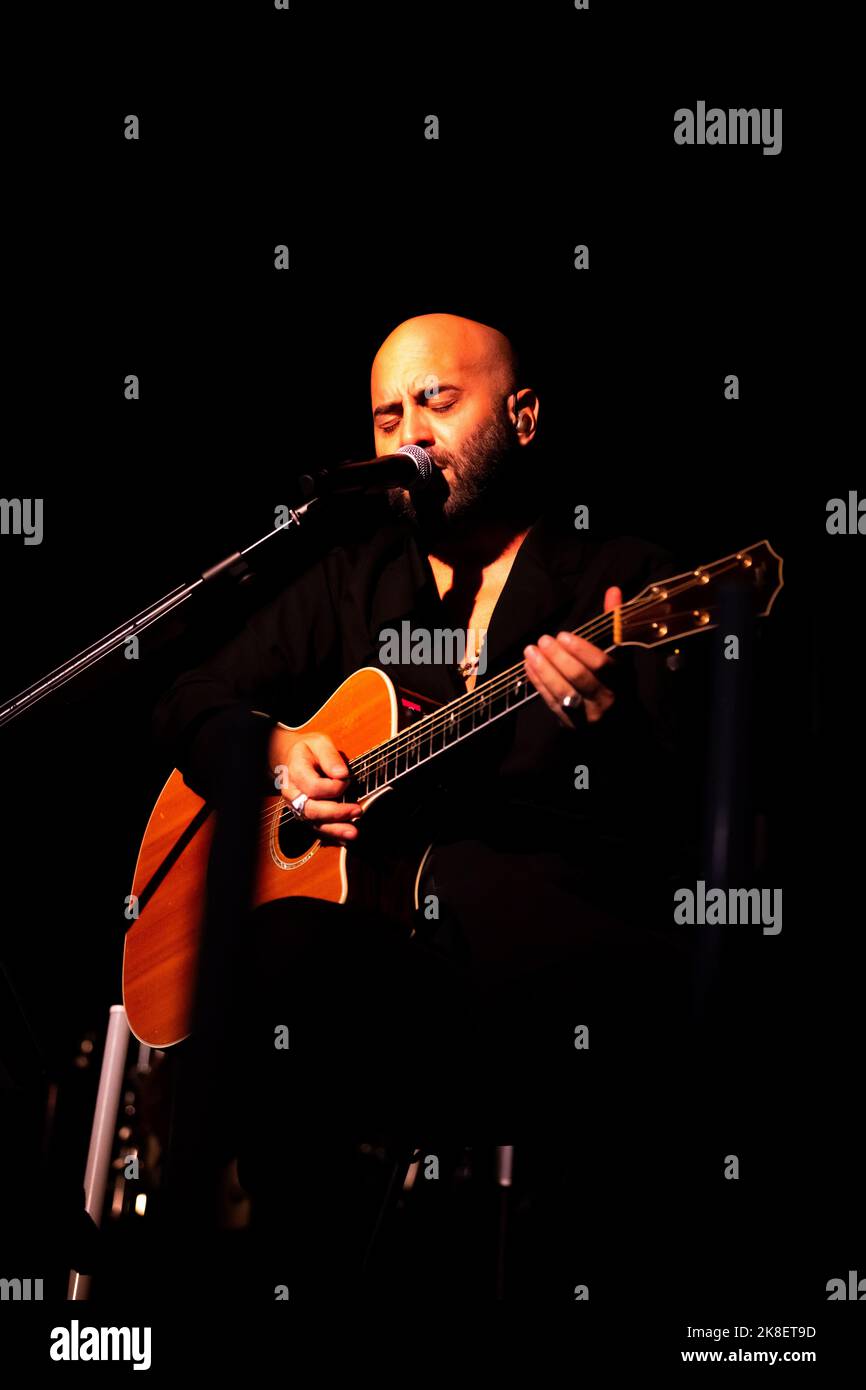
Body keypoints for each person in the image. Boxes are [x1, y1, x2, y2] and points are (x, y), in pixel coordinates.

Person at [152, 313, 697, 1293]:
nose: (408, 429)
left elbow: (680, 807)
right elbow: (185, 702)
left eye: (436, 401)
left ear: (520, 415)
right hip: (373, 966)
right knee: (277, 957)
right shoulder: (354, 578)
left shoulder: (617, 577)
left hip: (542, 961)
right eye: (386, 412)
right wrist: (279, 750)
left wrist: (604, 734)